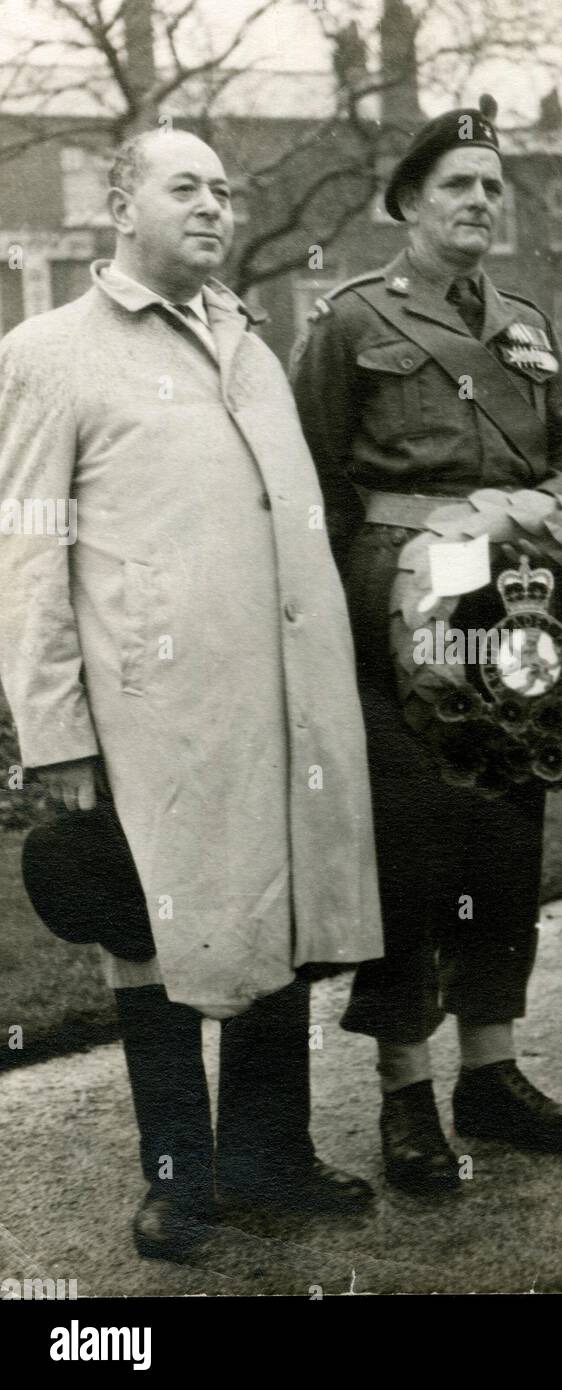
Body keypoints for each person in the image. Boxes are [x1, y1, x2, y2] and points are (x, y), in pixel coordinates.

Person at [0, 129, 383, 1258]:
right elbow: (26, 555)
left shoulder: (251, 346)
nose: (215, 206)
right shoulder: (49, 351)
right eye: (187, 187)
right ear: (121, 205)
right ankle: (177, 1178)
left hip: (276, 704)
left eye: (224, 189)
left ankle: (269, 1159)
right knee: (148, 932)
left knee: (278, 915)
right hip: (145, 716)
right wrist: (56, 732)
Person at [290, 99, 562, 1195]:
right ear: (408, 204)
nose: (479, 201)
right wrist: (333, 630)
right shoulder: (346, 321)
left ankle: (492, 1070)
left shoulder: (525, 323)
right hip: (401, 597)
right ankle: (404, 1093)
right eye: (457, 186)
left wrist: (544, 508)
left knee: (505, 826)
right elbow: (317, 484)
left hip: (518, 590)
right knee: (414, 842)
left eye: (491, 186)